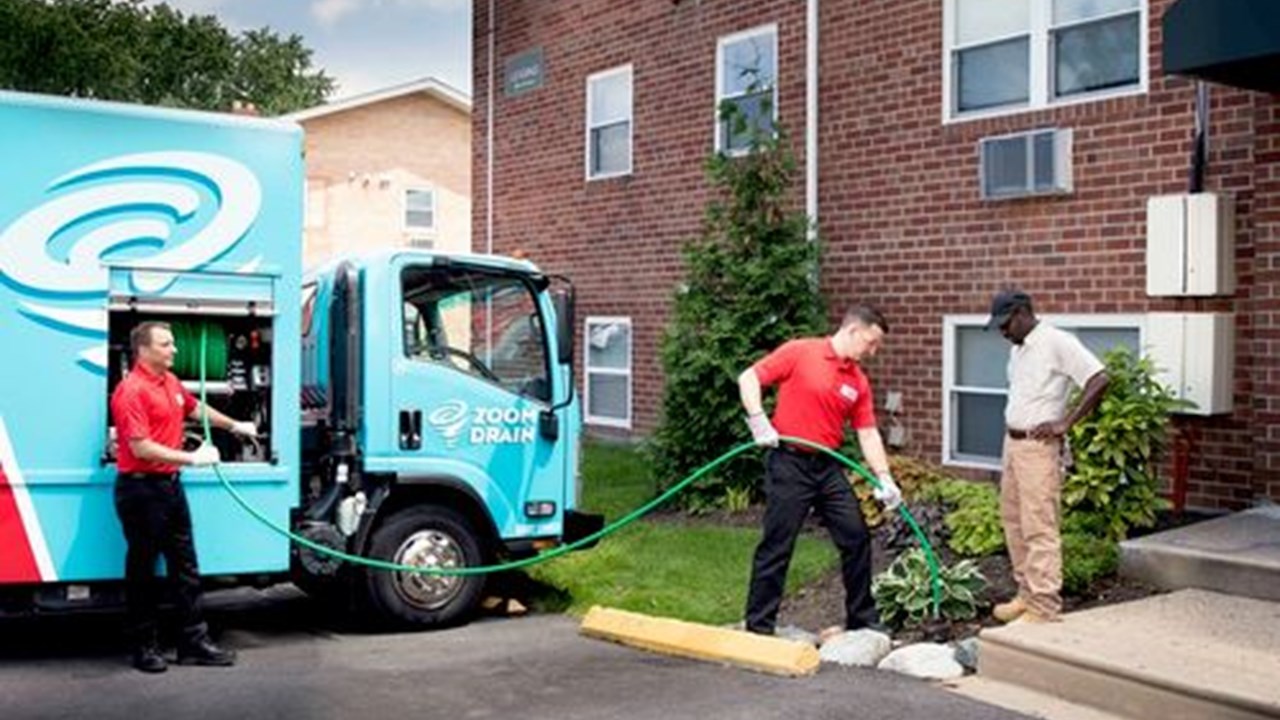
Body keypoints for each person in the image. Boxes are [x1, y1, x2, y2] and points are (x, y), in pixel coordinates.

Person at [739, 305, 902, 636]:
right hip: (788, 462)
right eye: (871, 342)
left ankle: (862, 618)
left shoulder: (857, 381)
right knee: (778, 543)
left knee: (856, 537)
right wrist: (759, 420)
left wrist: (885, 477)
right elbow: (750, 377)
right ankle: (759, 626)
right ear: (853, 330)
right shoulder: (802, 352)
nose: (872, 351)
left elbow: (867, 432)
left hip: (827, 468)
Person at [110, 321, 258, 673]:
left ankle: (193, 643)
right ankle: (145, 647)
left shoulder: (170, 383)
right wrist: (192, 458)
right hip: (141, 489)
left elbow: (194, 409)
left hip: (169, 487)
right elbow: (140, 447)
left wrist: (235, 425)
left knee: (186, 567)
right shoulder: (131, 391)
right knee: (143, 570)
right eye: (166, 344)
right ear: (143, 350)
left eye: (173, 343)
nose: (174, 349)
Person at [986, 290, 1109, 624]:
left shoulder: (1057, 341)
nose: (1002, 332)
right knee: (1013, 521)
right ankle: (1026, 595)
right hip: (1013, 444)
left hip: (1038, 449)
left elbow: (1099, 378)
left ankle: (1044, 606)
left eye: (1005, 323)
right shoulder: (1019, 350)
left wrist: (1065, 422)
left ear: (1023, 312)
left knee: (1039, 525)